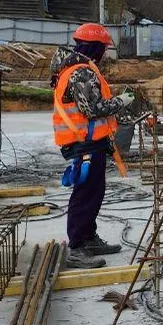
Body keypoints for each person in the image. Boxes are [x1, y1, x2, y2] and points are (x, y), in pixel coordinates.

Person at [51, 23, 136, 269]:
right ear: (94, 47)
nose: (104, 53)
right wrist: (121, 101)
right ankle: (77, 246)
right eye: (102, 48)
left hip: (89, 142)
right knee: (85, 195)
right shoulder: (80, 72)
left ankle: (88, 237)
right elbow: (93, 109)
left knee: (94, 192)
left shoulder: (76, 68)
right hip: (82, 142)